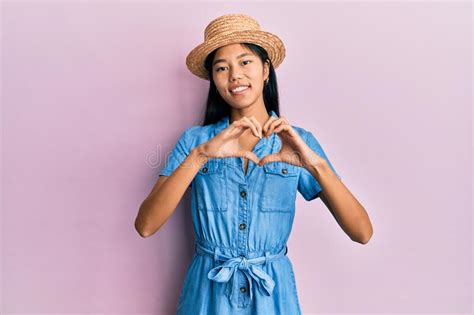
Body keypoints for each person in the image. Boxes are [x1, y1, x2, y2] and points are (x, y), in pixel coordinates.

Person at [135, 13, 373, 314]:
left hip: (273, 295)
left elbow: (362, 232)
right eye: (222, 68)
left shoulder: (298, 142)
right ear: (214, 80)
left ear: (265, 70)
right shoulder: (196, 142)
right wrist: (200, 156)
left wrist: (316, 166)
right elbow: (145, 225)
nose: (234, 75)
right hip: (208, 295)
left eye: (245, 62)